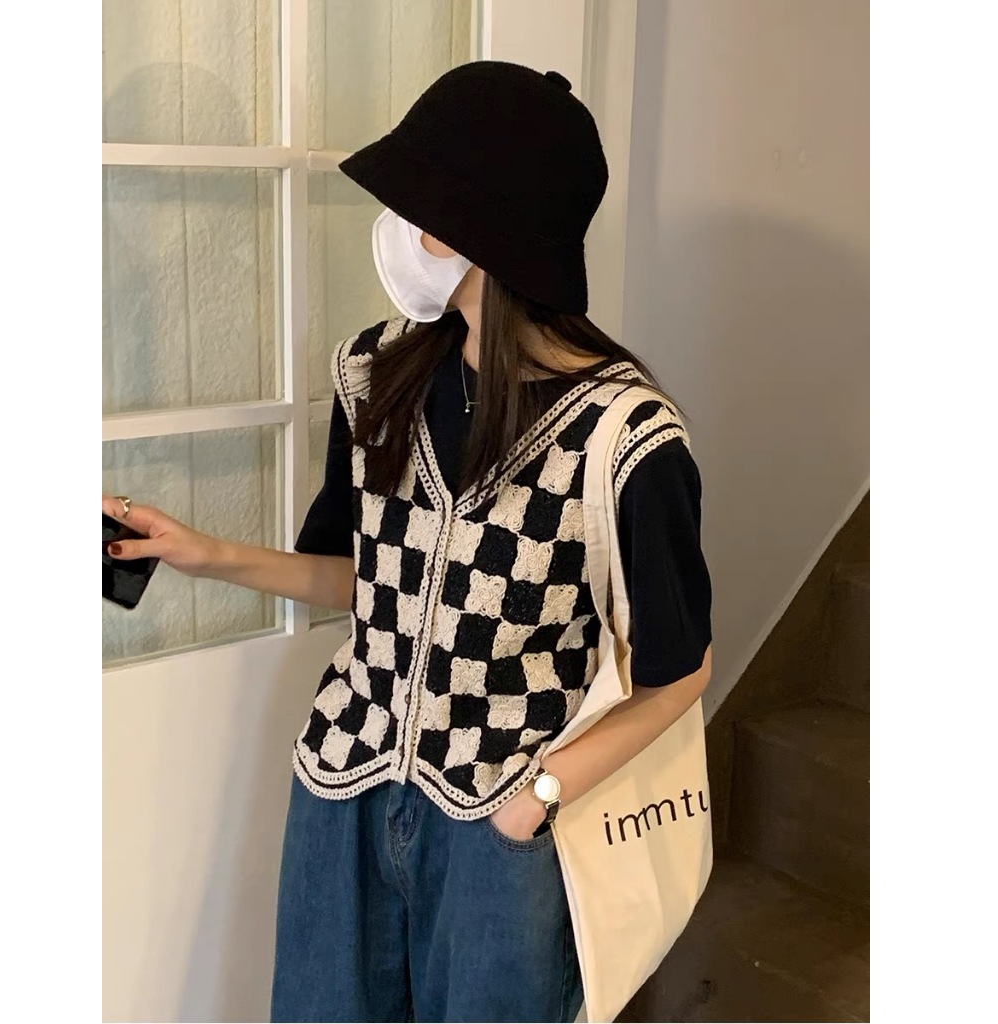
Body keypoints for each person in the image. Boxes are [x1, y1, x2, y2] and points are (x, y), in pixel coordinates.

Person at [104, 61, 713, 1024]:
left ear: (489, 231)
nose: (397, 225)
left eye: (420, 206)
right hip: (343, 782)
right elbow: (360, 577)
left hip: (501, 822)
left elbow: (680, 673)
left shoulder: (626, 438)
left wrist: (538, 797)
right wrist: (199, 551)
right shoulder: (375, 373)